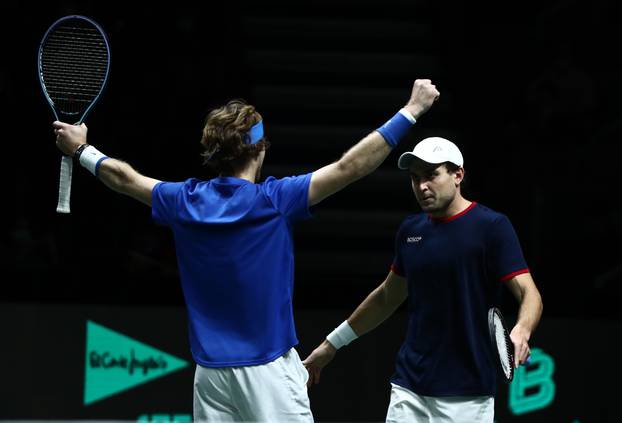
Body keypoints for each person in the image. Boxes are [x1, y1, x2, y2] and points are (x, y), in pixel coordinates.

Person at [52, 79, 440, 423]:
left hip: (210, 376)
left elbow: (122, 177)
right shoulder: (273, 199)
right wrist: (411, 111)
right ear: (260, 149)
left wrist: (81, 148)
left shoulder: (182, 201)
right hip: (267, 371)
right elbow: (350, 167)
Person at [303, 137, 543, 423]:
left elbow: (529, 293)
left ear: (458, 175)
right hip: (409, 387)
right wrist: (331, 345)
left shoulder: (491, 227)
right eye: (415, 178)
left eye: (431, 175)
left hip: (467, 394)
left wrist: (522, 330)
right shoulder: (410, 231)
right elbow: (385, 298)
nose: (422, 186)